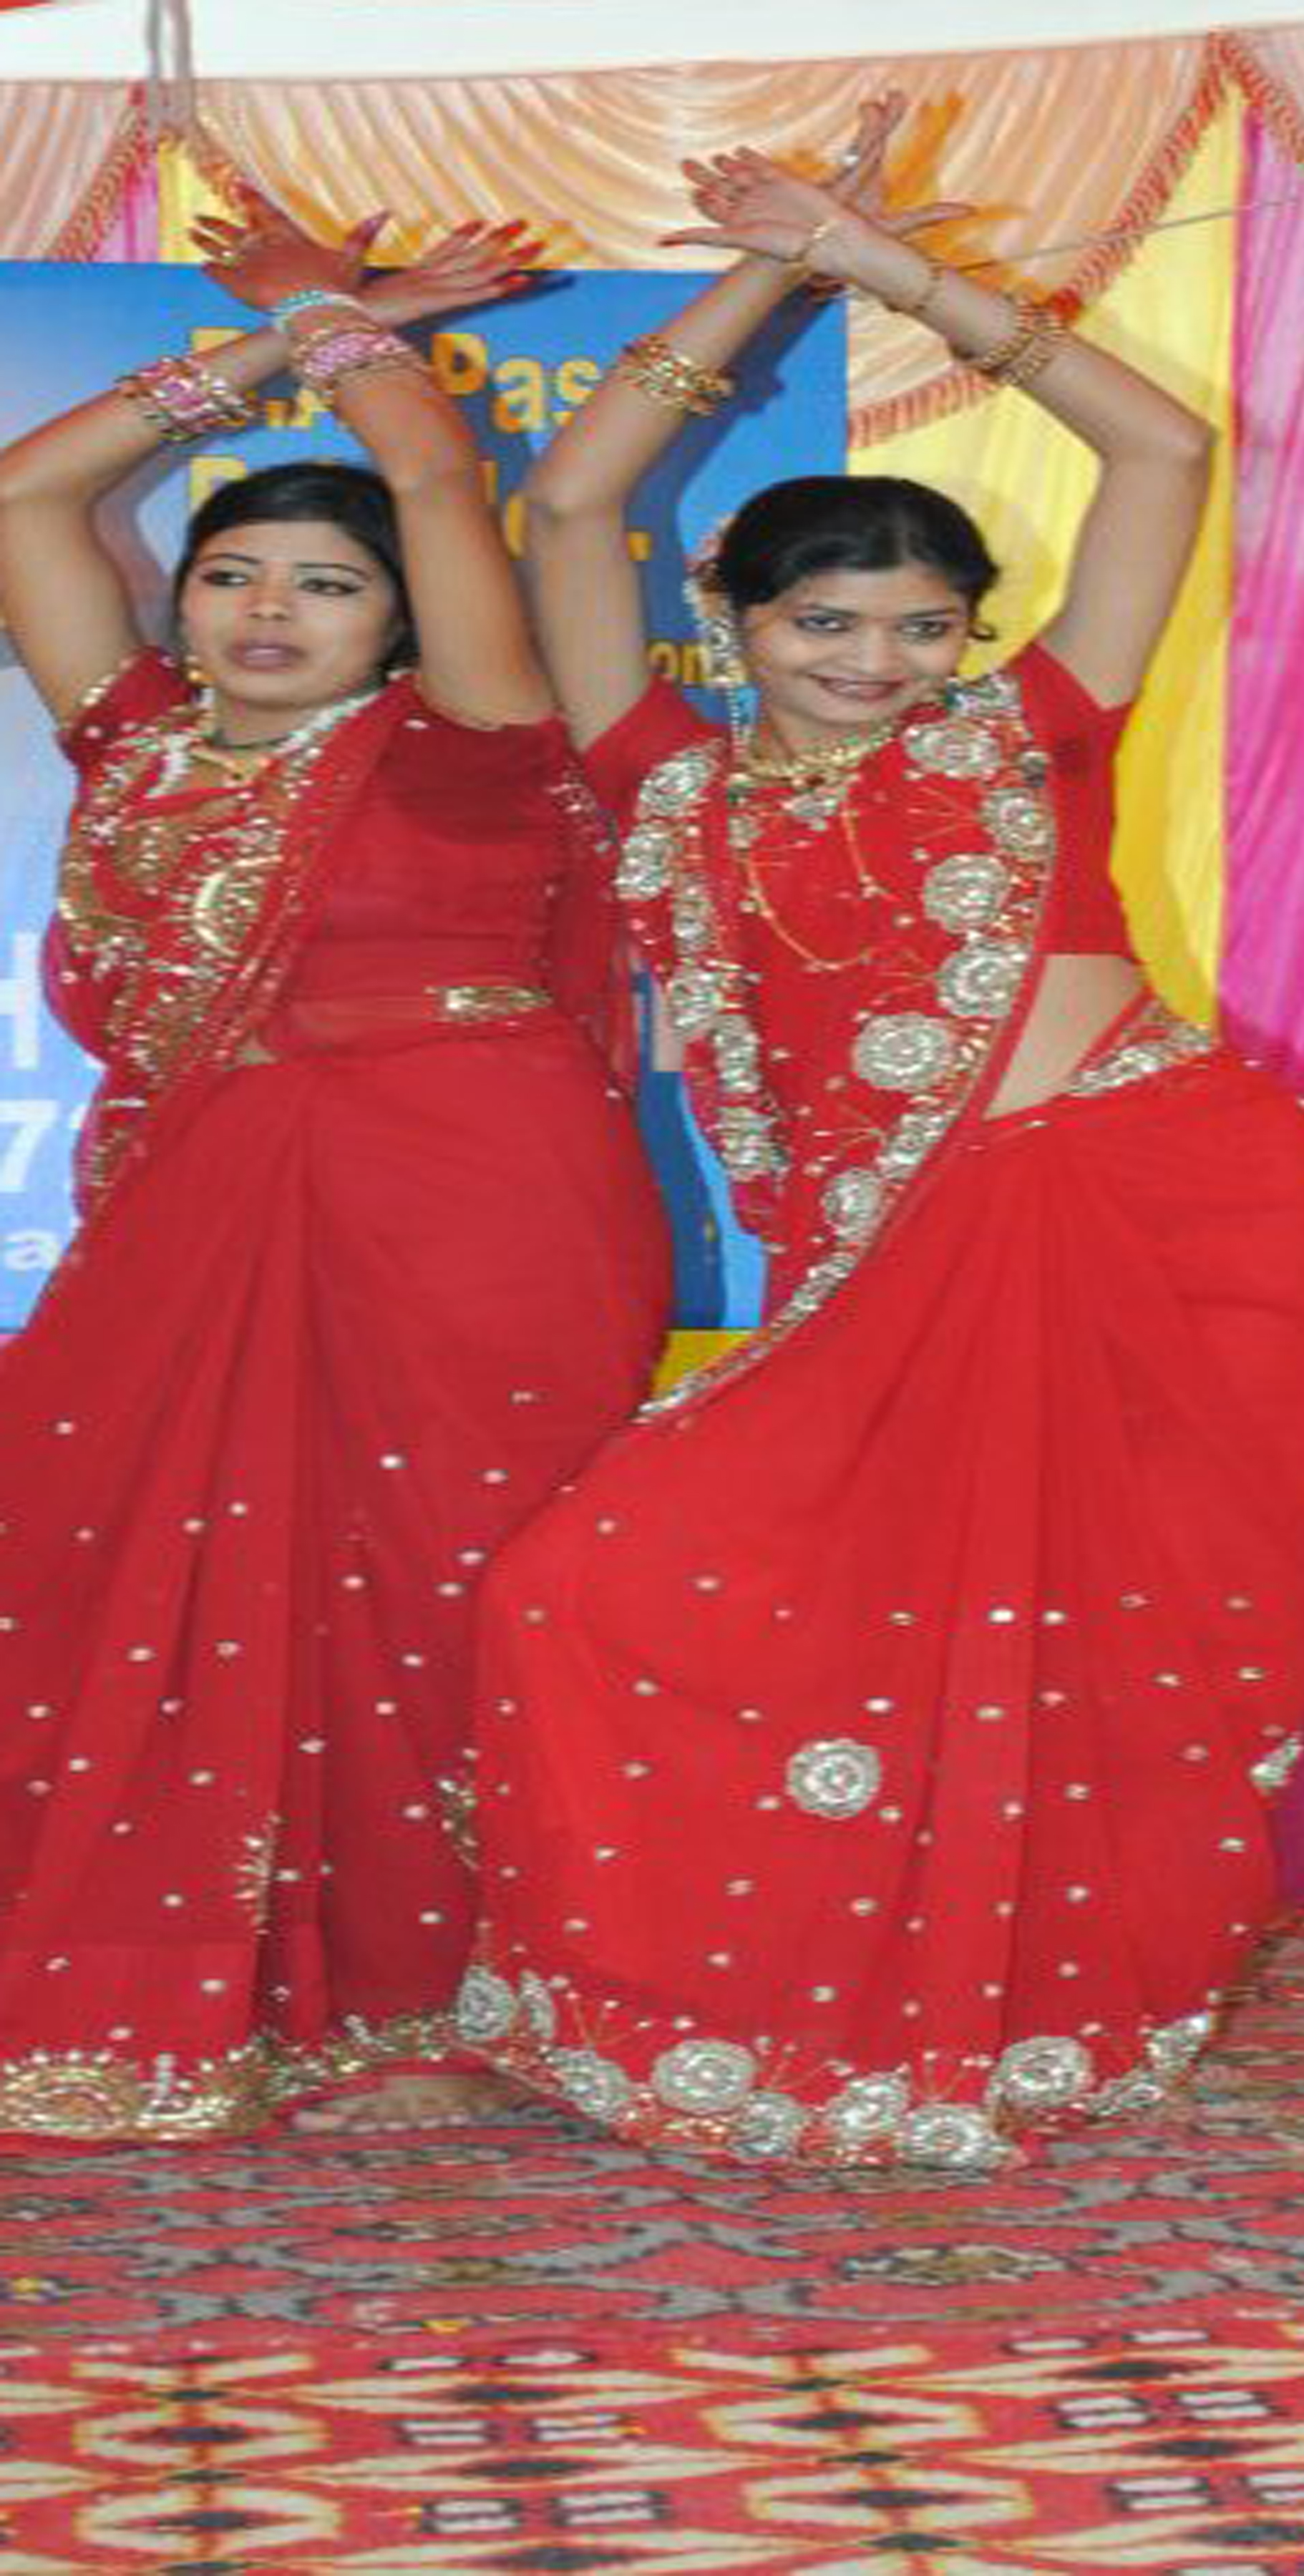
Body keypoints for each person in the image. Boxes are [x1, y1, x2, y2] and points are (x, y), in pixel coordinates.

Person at [459, 99, 1304, 2167]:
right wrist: (775, 264)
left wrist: (893, 269)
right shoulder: (668, 780)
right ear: (732, 614)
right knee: (586, 1589)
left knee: (1074, 1642)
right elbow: (570, 509)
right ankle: (776, 1993)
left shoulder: (1030, 739)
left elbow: (1159, 457)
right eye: (825, 624)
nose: (877, 664)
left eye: (920, 626)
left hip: (1130, 1220)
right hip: (881, 1269)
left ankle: (1024, 2013)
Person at [0, 193, 671, 2139]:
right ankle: (205, 1981)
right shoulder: (137, 742)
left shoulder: (470, 740)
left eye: (326, 585)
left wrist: (333, 316)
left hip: (474, 1205)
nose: (268, 611)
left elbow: (443, 484)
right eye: (231, 574)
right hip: (201, 1198)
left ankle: (443, 2008)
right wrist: (271, 346)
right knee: (135, 1564)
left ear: (399, 624)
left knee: (439, 1582)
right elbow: (28, 498)